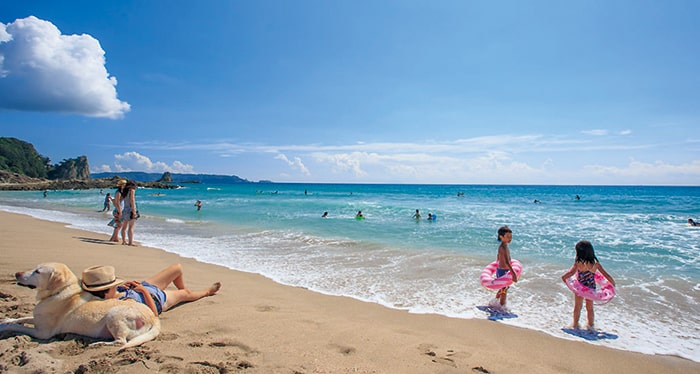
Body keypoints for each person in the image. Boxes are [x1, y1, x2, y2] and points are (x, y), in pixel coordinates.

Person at [81, 264, 221, 316]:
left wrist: (127, 286)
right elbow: (153, 315)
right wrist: (144, 291)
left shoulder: (112, 294)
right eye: (113, 285)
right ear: (105, 292)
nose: (115, 285)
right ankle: (206, 292)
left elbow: (115, 291)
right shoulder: (124, 303)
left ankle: (184, 294)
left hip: (145, 288)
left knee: (177, 268)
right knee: (185, 293)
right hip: (157, 299)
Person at [561, 240, 615, 330]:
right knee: (589, 308)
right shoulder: (595, 264)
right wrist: (612, 283)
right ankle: (590, 326)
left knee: (578, 306)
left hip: (580, 288)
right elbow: (606, 274)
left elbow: (571, 273)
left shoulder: (578, 263)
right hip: (590, 288)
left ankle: (575, 324)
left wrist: (564, 277)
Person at [494, 226, 518, 309]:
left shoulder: (505, 246)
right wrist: (513, 274)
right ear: (501, 237)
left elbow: (499, 257)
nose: (510, 238)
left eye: (511, 236)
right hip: (502, 271)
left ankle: (495, 302)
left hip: (504, 270)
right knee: (504, 290)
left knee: (503, 289)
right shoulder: (502, 248)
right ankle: (501, 307)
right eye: (508, 236)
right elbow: (507, 262)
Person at [120, 180, 139, 246]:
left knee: (124, 227)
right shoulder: (132, 191)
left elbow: (121, 200)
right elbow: (132, 200)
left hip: (125, 209)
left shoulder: (124, 191)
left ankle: (124, 241)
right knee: (131, 227)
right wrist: (134, 211)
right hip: (130, 210)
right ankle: (130, 242)